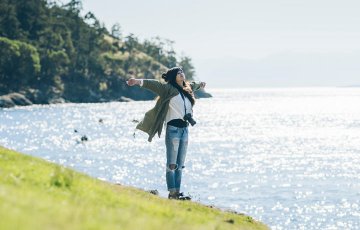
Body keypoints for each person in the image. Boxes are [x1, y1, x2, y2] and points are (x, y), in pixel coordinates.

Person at [127, 67, 206, 200]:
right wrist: (136, 81)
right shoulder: (168, 89)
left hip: (185, 130)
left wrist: (201, 84)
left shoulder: (187, 88)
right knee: (172, 164)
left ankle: (177, 192)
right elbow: (154, 84)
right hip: (173, 129)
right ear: (173, 77)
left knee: (180, 165)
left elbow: (194, 84)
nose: (181, 74)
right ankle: (172, 193)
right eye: (178, 73)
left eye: (182, 72)